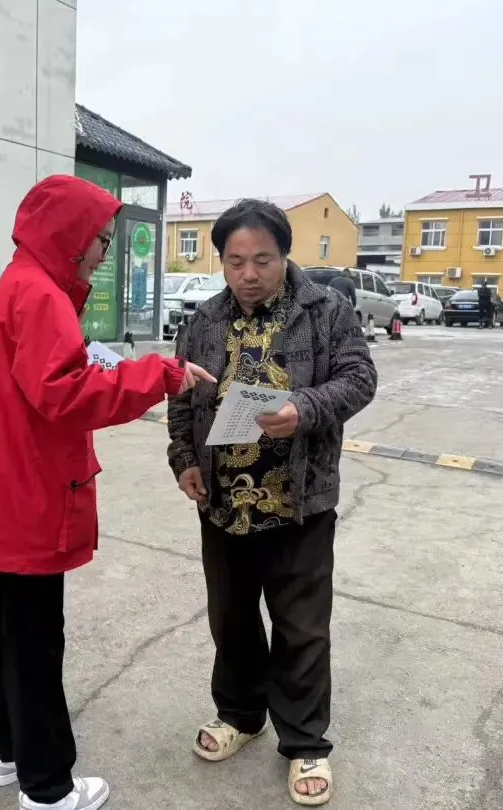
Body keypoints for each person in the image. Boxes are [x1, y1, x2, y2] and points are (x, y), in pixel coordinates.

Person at [0, 174, 214, 810]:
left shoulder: (19, 284)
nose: (104, 253)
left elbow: (53, 377)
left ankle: (9, 753)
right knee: (33, 645)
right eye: (101, 239)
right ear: (70, 235)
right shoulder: (40, 296)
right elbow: (66, 392)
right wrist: (160, 375)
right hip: (24, 500)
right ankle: (49, 787)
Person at [166, 199, 378, 806]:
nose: (249, 274)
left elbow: (359, 379)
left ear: (285, 254)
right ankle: (239, 714)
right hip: (223, 502)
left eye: (262, 259)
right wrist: (183, 460)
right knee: (231, 619)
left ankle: (305, 741)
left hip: (298, 500)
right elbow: (181, 396)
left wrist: (303, 408)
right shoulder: (205, 319)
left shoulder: (326, 310)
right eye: (235, 262)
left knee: (301, 627)